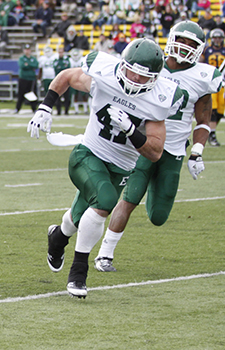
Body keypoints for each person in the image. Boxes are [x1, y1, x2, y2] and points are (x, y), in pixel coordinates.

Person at [28, 38, 185, 298]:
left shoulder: (160, 98)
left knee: (80, 217)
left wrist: (133, 131)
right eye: (131, 69)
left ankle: (58, 236)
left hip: (121, 167)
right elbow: (67, 76)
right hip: (87, 153)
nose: (133, 77)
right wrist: (45, 106)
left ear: (155, 78)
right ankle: (78, 273)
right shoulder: (104, 74)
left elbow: (155, 151)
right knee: (105, 200)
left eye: (142, 75)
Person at [94, 21, 221, 272]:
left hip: (174, 150)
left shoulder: (204, 76)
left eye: (191, 44)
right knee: (129, 199)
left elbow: (204, 120)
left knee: (159, 216)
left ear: (200, 49)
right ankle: (104, 255)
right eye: (182, 40)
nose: (184, 47)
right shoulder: (150, 64)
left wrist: (196, 152)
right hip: (143, 145)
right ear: (171, 38)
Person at [201, 28, 225, 146]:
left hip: (223, 84)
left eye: (219, 38)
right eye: (215, 38)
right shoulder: (207, 50)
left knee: (220, 110)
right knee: (213, 110)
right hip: (211, 82)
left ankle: (212, 132)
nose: (217, 40)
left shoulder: (224, 50)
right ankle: (212, 135)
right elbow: (200, 63)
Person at [15, 43, 38, 113]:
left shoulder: (33, 58)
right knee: (21, 94)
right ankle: (17, 108)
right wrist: (30, 66)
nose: (27, 51)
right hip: (23, 78)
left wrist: (28, 64)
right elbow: (22, 66)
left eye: (28, 49)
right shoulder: (22, 58)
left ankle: (34, 108)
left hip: (31, 78)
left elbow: (36, 65)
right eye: (26, 49)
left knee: (32, 94)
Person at [52, 46, 71, 115]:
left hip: (66, 81)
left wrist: (61, 68)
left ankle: (66, 111)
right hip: (58, 81)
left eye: (61, 52)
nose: (60, 53)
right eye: (59, 52)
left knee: (67, 96)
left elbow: (67, 68)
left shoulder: (66, 60)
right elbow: (56, 68)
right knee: (57, 97)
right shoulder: (56, 60)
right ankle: (58, 111)